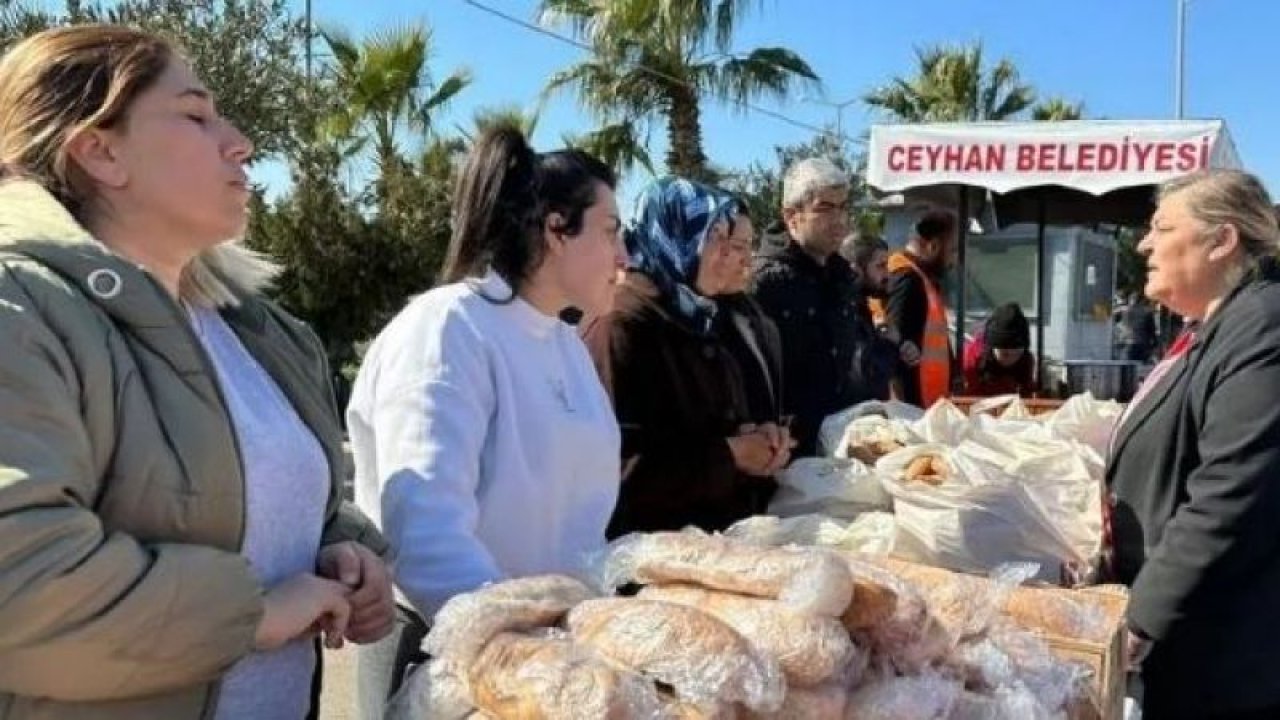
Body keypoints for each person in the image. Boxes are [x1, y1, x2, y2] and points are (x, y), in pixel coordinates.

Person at [0, 25, 393, 720]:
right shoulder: (21, 309)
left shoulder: (262, 333)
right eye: (195, 114)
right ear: (99, 151)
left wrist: (343, 548)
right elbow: (19, 586)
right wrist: (256, 612)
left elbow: (273, 505)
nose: (239, 141)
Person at [347, 126, 627, 715]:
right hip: (451, 661)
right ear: (556, 229)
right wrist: (521, 656)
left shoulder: (564, 343)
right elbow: (426, 534)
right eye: (610, 231)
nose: (624, 258)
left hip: (554, 662)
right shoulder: (447, 328)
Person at [1105, 169, 1280, 719]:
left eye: (1162, 227)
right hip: (1195, 642)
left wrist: (1139, 620)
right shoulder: (1218, 326)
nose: (1144, 244)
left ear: (1222, 240)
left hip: (1225, 660)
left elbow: (1230, 493)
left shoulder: (1264, 326)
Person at [583, 177, 790, 537]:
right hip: (650, 562)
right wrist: (733, 454)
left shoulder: (696, 313)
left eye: (742, 244)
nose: (739, 257)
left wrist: (755, 436)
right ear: (677, 238)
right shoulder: (624, 324)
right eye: (720, 241)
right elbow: (618, 468)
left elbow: (701, 423)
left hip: (712, 542)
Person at [753, 158, 875, 456]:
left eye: (843, 207)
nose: (839, 219)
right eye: (824, 208)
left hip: (839, 446)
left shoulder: (844, 278)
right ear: (791, 216)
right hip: (783, 456)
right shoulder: (762, 284)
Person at [715, 201, 785, 512]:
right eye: (734, 246)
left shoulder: (750, 311)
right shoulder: (690, 325)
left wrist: (772, 429)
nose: (746, 259)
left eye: (748, 246)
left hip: (759, 493)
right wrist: (736, 450)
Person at [882, 208, 958, 408]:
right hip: (912, 403)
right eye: (952, 251)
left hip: (926, 400)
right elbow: (894, 345)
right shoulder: (907, 279)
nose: (953, 261)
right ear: (933, 246)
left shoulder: (921, 279)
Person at [842, 232, 917, 401]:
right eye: (880, 266)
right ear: (856, 271)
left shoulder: (859, 307)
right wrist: (890, 344)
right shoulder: (847, 311)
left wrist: (900, 347)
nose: (888, 275)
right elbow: (868, 376)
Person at [962, 303, 1036, 397]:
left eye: (1017, 354)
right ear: (991, 348)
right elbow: (968, 399)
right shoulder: (972, 359)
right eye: (1005, 354)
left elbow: (1027, 397)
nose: (1011, 360)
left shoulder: (1026, 361)